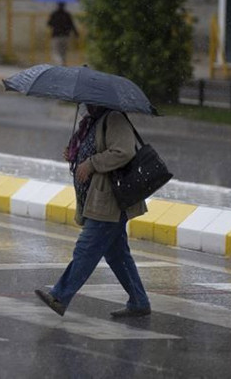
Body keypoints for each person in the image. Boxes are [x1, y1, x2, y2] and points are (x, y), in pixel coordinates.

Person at [35, 104, 151, 318]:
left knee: (86, 249)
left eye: (90, 100)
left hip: (110, 200)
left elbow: (123, 151)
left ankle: (60, 296)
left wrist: (91, 163)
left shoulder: (114, 118)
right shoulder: (91, 122)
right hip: (98, 198)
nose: (86, 104)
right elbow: (93, 148)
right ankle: (139, 301)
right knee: (118, 255)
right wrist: (75, 154)